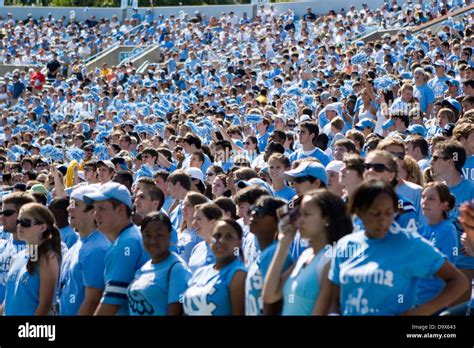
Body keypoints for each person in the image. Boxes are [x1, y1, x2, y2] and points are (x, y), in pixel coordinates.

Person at [325, 179, 468, 315]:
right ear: (358, 212)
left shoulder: (409, 243)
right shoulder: (345, 245)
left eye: (389, 213)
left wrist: (418, 313)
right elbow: (334, 298)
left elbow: (458, 281)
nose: (383, 220)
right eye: (375, 213)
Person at [263, 190, 352, 315]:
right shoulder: (305, 255)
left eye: (306, 214)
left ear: (327, 219)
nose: (299, 221)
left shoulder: (331, 259)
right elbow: (270, 296)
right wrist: (284, 243)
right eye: (299, 215)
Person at [83, 182, 149, 315]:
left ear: (120, 209)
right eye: (95, 209)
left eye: (101, 208)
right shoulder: (128, 238)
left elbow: (111, 304)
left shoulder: (126, 243)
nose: (96, 215)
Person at [430, 140, 474, 303]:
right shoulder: (433, 190)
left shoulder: (471, 189)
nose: (431, 161)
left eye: (435, 158)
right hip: (437, 265)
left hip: (463, 264)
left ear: (450, 162)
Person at [59, 186, 111, 315]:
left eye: (75, 204)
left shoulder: (97, 249)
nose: (68, 208)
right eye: (70, 203)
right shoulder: (81, 242)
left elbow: (93, 301)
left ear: (93, 212)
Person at [2, 203, 61, 315]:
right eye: (18, 222)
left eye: (25, 223)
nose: (19, 226)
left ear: (42, 227)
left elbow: (45, 305)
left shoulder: (48, 258)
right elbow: (9, 299)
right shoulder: (18, 256)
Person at [128, 212, 191, 316]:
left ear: (169, 235)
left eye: (159, 235)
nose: (153, 240)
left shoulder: (177, 269)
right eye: (147, 235)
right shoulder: (144, 267)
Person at [183, 219, 247, 315]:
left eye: (229, 237)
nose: (221, 241)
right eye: (217, 236)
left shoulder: (238, 274)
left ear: (239, 242)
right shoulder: (200, 273)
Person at [245, 196, 293, 315]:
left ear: (279, 221)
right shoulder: (265, 253)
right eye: (253, 209)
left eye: (261, 211)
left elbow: (273, 302)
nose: (254, 213)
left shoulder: (275, 253)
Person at [416, 182, 458, 306]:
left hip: (433, 301)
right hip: (415, 299)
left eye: (431, 198)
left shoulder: (447, 230)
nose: (425, 201)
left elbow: (432, 265)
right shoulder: (422, 229)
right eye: (423, 197)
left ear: (444, 205)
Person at [0, 192, 36, 304]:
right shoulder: (2, 246)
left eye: (7, 213)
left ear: (24, 215)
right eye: (1, 213)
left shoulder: (38, 250)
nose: (2, 217)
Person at [188, 203, 223, 273]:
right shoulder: (196, 248)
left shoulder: (224, 249)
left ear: (213, 222)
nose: (193, 223)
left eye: (198, 219)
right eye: (194, 219)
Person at [178, 192, 208, 263]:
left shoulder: (201, 236)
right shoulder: (178, 231)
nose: (183, 208)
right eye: (183, 204)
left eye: (188, 205)